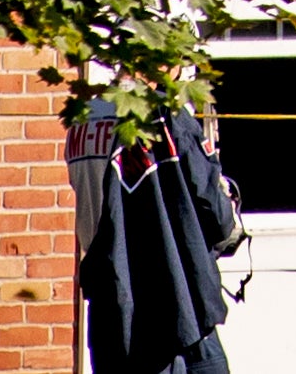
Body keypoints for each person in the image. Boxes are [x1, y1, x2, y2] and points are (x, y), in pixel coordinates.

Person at [69, 80, 242, 374]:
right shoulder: (163, 112)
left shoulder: (81, 120)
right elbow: (215, 214)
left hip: (108, 302)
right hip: (168, 300)